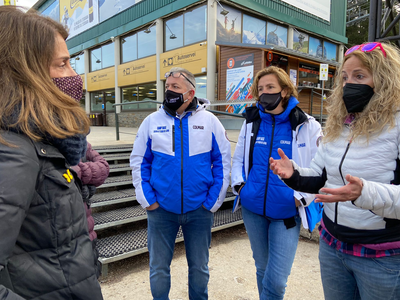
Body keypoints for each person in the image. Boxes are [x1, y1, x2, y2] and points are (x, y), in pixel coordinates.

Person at [270, 42, 400, 300]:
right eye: (344, 77)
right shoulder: (339, 125)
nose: (348, 84)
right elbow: (321, 177)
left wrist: (364, 193)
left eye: (359, 76)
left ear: (385, 79)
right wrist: (293, 173)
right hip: (332, 247)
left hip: (382, 258)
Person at [0, 6, 103, 300]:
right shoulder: (14, 152)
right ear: (24, 72)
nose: (74, 75)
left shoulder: (43, 139)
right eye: (63, 64)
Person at [130, 67, 231, 300]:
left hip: (199, 210)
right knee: (158, 268)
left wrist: (212, 202)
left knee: (199, 268)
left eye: (175, 87)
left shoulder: (210, 122)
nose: (169, 91)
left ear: (190, 92)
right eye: (167, 87)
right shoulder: (151, 122)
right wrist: (147, 199)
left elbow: (223, 161)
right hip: (161, 210)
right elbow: (139, 162)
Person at [231, 66, 322, 300]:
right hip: (254, 210)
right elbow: (239, 158)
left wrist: (299, 198)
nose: (264, 93)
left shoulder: (306, 125)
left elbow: (319, 170)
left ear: (284, 90)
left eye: (270, 87)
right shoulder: (251, 122)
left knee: (277, 279)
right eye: (260, 89)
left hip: (285, 214)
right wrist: (242, 188)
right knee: (262, 268)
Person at [71, 142, 110, 278]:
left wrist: (77, 172)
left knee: (92, 277)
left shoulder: (79, 141)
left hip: (87, 230)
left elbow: (103, 167)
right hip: (67, 234)